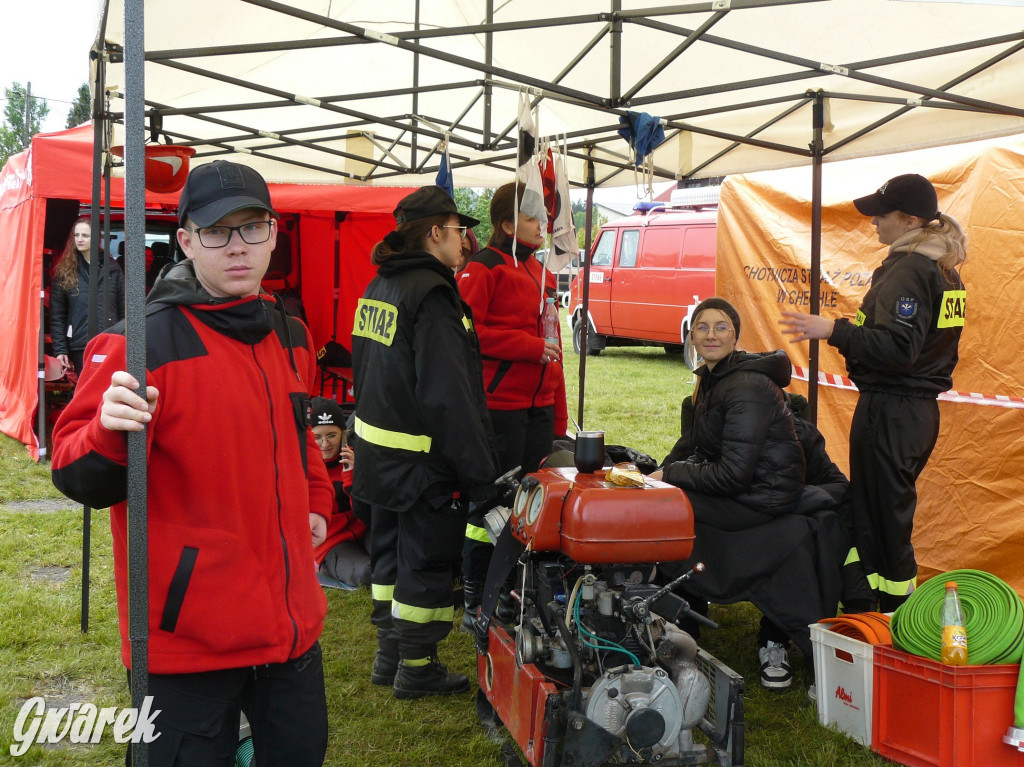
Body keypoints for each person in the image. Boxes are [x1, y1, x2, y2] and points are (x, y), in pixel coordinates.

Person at [50, 160, 332, 766]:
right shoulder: (137, 345)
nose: (237, 246)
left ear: (274, 234)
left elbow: (300, 435)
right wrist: (106, 429)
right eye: (216, 232)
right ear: (185, 241)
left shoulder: (291, 335)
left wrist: (317, 505)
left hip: (289, 628)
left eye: (252, 227)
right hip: (188, 643)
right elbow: (74, 471)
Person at [780, 173, 967, 612]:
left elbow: (899, 350)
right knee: (881, 514)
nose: (874, 223)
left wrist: (835, 330)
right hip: (910, 412)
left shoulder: (911, 271)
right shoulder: (943, 270)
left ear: (910, 220)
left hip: (893, 409)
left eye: (882, 215)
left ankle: (893, 620)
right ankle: (873, 609)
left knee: (885, 520)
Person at [350, 185, 499, 699]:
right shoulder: (433, 296)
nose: (466, 240)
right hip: (420, 465)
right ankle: (416, 667)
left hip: (377, 456)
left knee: (388, 557)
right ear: (435, 232)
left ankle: (388, 652)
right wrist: (480, 474)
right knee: (425, 562)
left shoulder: (377, 288)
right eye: (460, 230)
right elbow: (448, 396)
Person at [650, 297, 807, 689]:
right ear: (691, 336)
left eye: (721, 327)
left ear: (737, 336)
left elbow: (734, 474)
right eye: (702, 327)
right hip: (746, 488)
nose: (711, 334)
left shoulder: (746, 386)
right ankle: (683, 614)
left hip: (761, 497)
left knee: (671, 512)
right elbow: (697, 446)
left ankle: (682, 617)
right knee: (660, 499)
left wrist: (671, 473)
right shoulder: (713, 378)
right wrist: (652, 473)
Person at [456, 181, 567, 628]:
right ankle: (475, 593)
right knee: (491, 504)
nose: (543, 224)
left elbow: (553, 343)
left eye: (544, 216)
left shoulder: (541, 271)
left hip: (537, 406)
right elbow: (465, 334)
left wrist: (556, 413)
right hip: (498, 406)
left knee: (529, 502)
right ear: (506, 224)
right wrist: (526, 346)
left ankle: (514, 591)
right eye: (532, 217)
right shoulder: (483, 269)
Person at [50, 216, 125, 375]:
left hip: (111, 340)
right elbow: (57, 315)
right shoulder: (64, 271)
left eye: (85, 235)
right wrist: (60, 349)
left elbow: (124, 307)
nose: (80, 239)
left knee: (109, 387)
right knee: (86, 390)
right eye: (76, 235)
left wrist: (127, 340)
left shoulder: (113, 268)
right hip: (80, 342)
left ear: (95, 238)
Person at [310, 396, 370, 588]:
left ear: (344, 434)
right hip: (331, 543)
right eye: (317, 437)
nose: (325, 444)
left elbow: (368, 512)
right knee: (368, 574)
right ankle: (325, 567)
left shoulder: (355, 457)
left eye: (331, 435)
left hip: (363, 532)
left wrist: (353, 477)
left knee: (394, 563)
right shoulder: (304, 468)